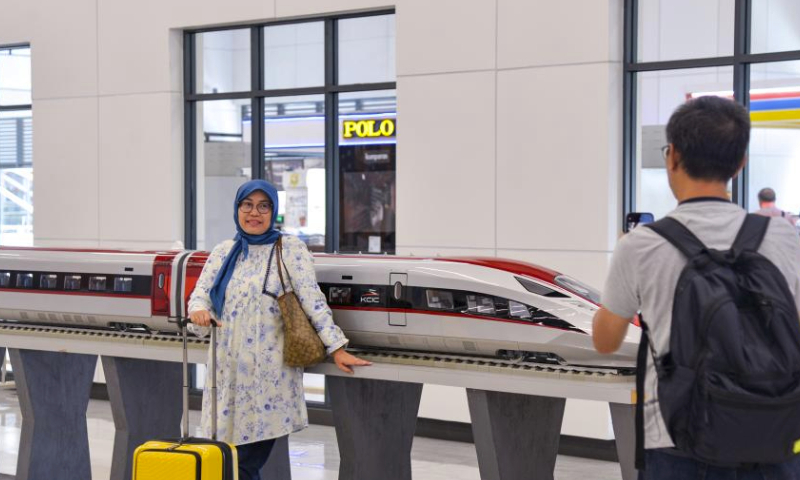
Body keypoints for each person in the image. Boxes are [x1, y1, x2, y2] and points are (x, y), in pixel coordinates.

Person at [592, 96, 800, 478]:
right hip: (775, 430)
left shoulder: (641, 244)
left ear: (672, 156)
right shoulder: (785, 237)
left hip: (677, 438)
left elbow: (605, 341)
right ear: (741, 163)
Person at [188, 179, 370, 480]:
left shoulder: (289, 250)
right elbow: (200, 294)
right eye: (247, 205)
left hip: (267, 382)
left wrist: (336, 347)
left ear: (274, 211)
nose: (254, 213)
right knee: (226, 464)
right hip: (227, 377)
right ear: (237, 209)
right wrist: (198, 311)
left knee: (243, 466)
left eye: (263, 206)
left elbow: (312, 300)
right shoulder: (224, 252)